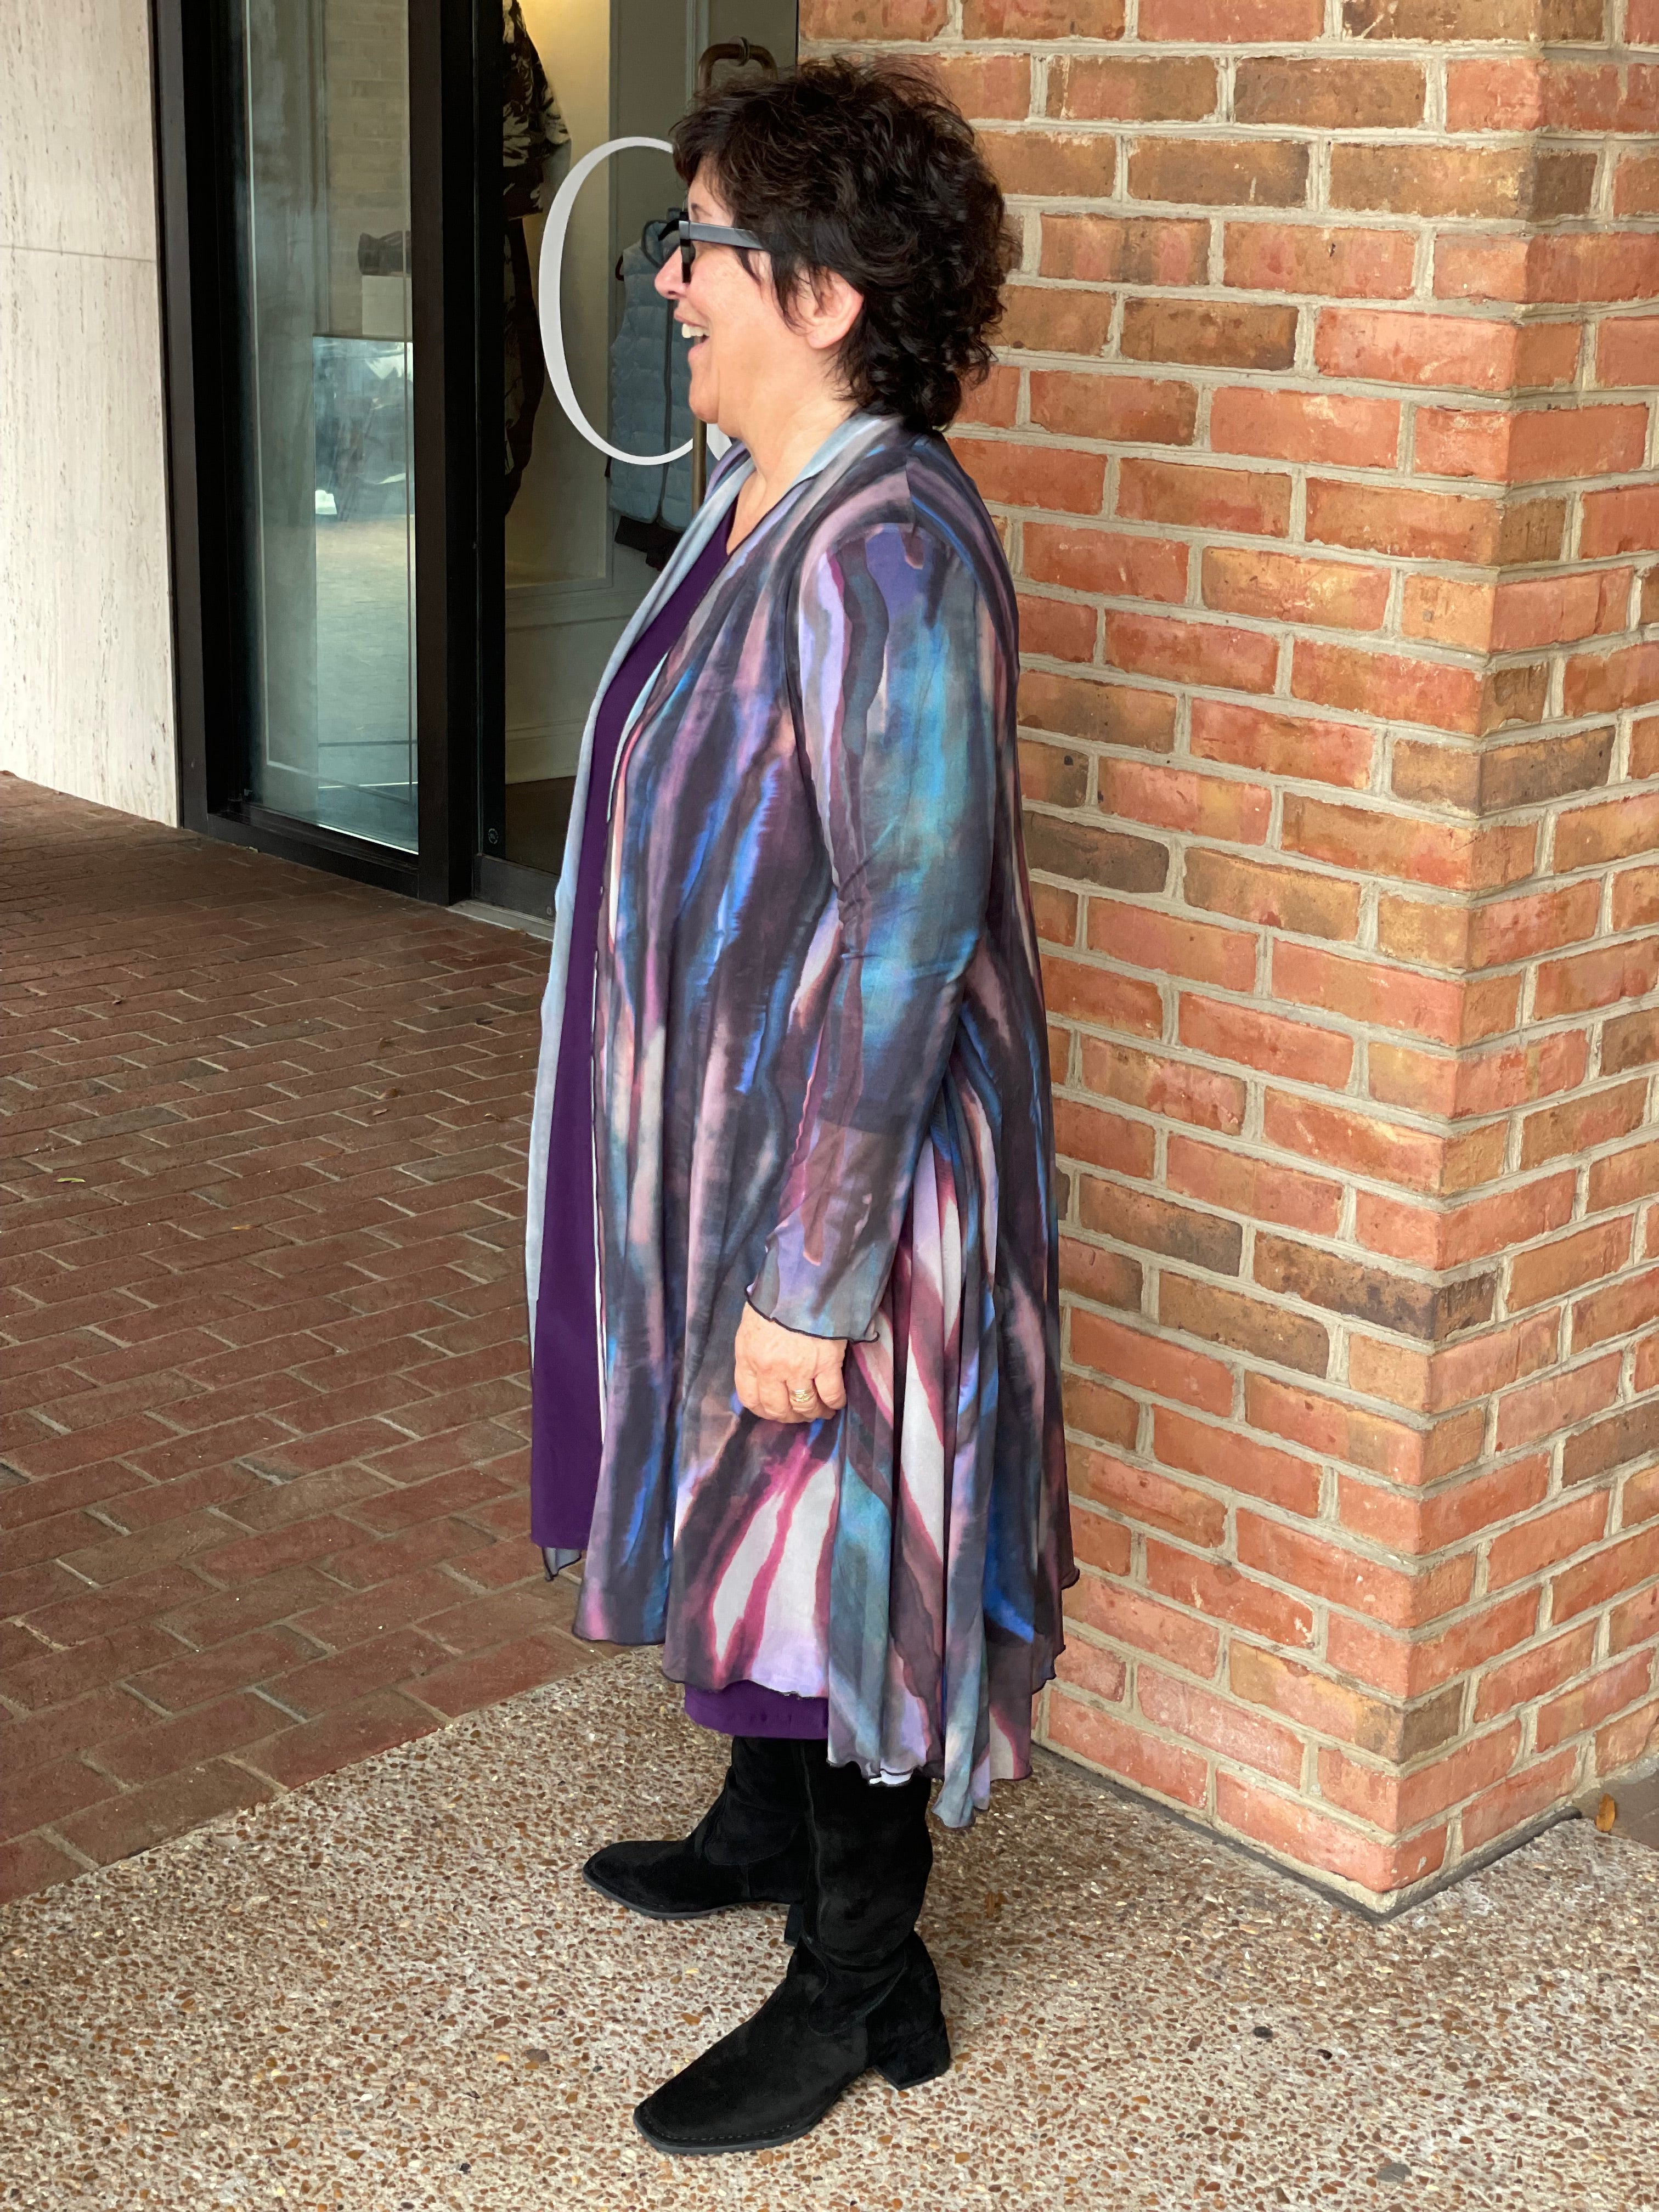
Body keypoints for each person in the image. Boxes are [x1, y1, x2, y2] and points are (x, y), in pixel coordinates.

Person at [522, 58, 1074, 2157]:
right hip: (727, 1151)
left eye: (703, 242)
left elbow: (907, 942)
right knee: (736, 1497)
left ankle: (863, 1981)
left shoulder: (889, 549)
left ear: (824, 293)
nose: (668, 277)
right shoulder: (764, 498)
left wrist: (814, 1281)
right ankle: (764, 1816)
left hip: (839, 1186)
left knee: (828, 1542)